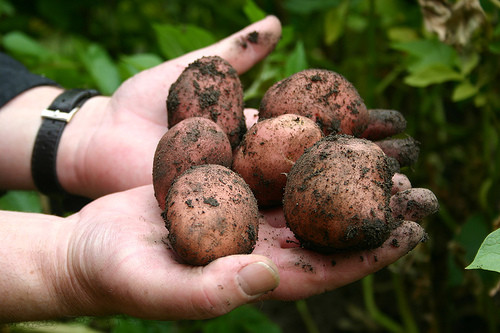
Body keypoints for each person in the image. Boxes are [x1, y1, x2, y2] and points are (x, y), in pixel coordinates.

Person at [0, 16, 434, 323]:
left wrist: (80, 135)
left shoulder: (277, 152)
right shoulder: (209, 161)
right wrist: (59, 259)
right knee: (201, 137)